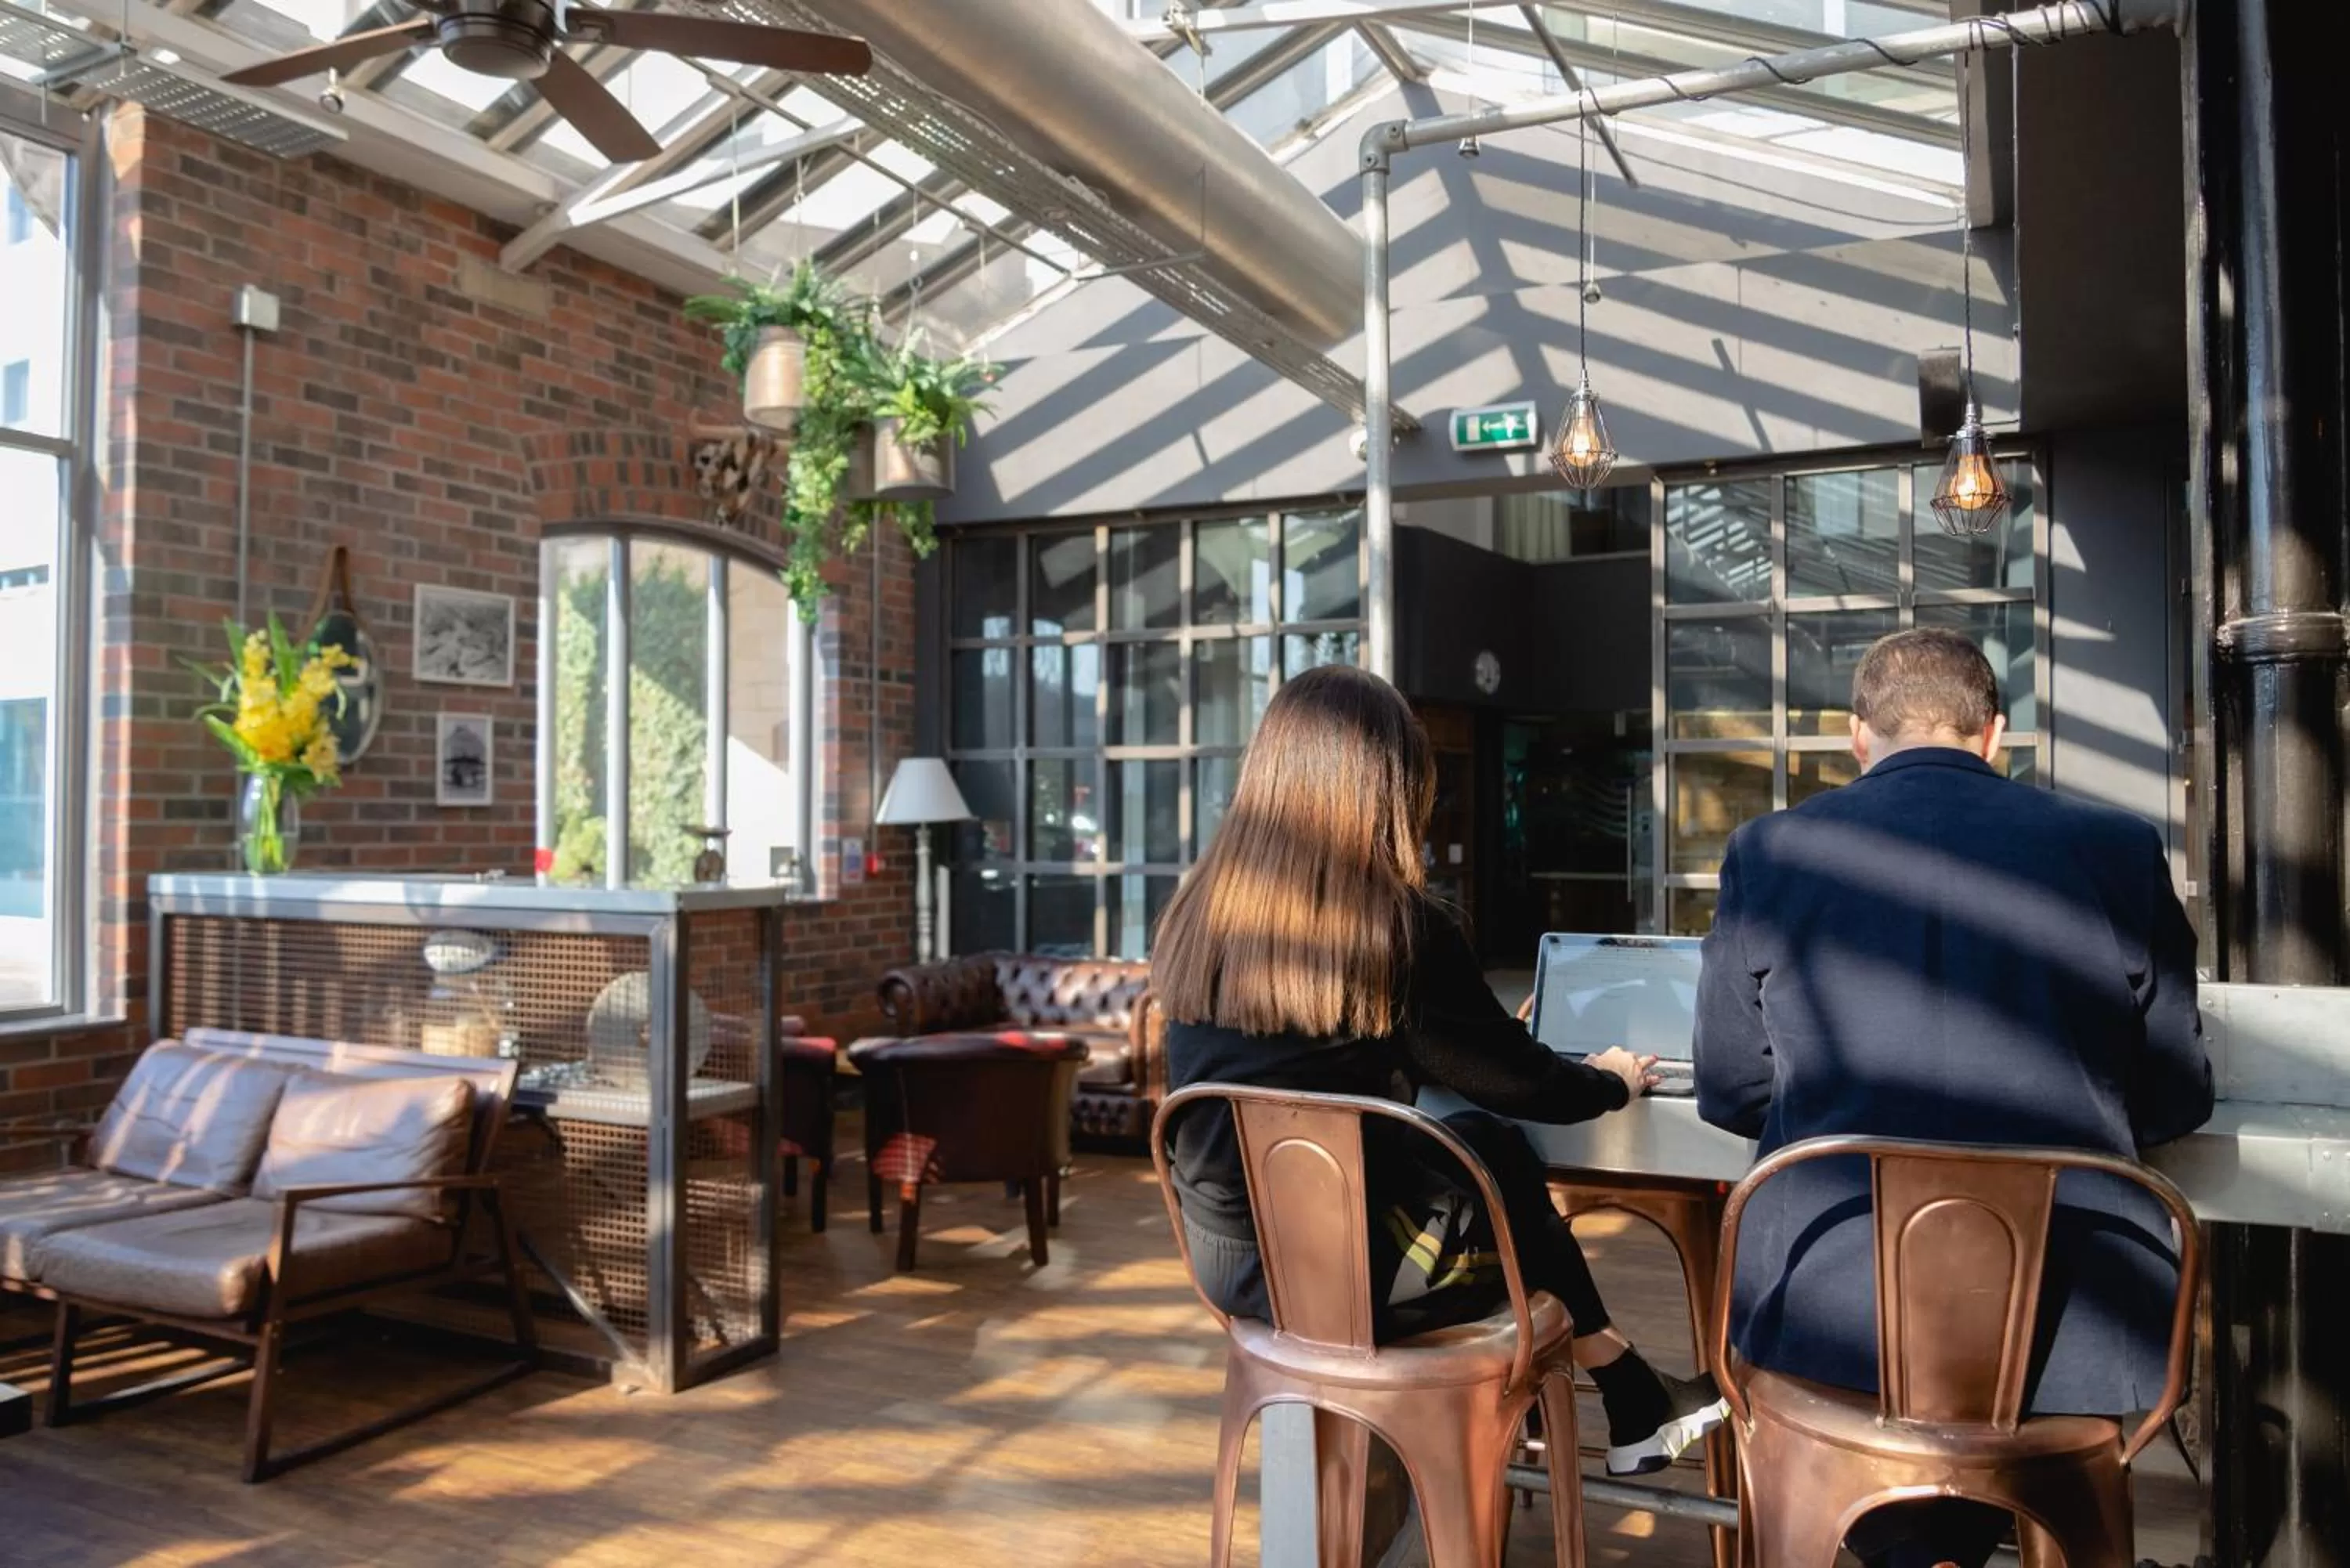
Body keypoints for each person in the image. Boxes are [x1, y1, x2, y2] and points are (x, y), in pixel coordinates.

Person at [1694, 627, 2214, 1568]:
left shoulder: (1769, 851)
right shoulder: (2117, 851)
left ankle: (1910, 1546)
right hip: (2069, 1328)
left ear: (1858, 736)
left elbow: (1731, 1087)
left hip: (1833, 1320)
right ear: (1995, 735)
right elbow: (2178, 1094)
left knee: (1858, 1444)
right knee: (2030, 1457)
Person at [1158, 663, 1728, 1476]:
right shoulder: (1393, 929)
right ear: (1388, 790)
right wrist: (1610, 1077)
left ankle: (1632, 1386)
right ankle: (1630, 1390)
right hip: (1351, 1278)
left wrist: (1482, 1040)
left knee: (1481, 1144)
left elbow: (1353, 1056)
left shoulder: (1200, 919)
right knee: (1498, 1155)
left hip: (1236, 1270)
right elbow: (1530, 1089)